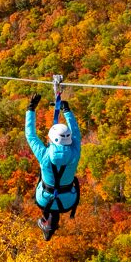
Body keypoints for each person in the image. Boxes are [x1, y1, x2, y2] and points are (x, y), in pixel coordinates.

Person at [25, 92, 81, 241]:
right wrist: (67, 111)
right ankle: (48, 224)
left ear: (51, 139)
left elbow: (30, 135)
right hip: (65, 200)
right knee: (53, 197)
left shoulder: (45, 155)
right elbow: (76, 134)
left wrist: (31, 108)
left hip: (56, 198)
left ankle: (49, 225)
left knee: (48, 190)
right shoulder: (74, 153)